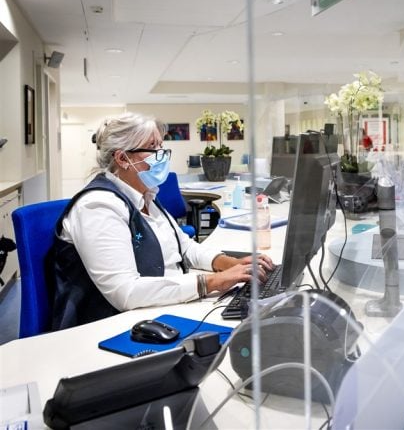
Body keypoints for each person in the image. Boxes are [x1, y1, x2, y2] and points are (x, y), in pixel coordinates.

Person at [49, 112, 273, 331]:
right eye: (152, 147)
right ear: (122, 158)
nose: (162, 155)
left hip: (161, 303)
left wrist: (231, 264)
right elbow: (126, 292)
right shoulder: (98, 206)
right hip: (116, 323)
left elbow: (185, 247)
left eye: (161, 146)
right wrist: (212, 282)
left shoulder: (146, 195)